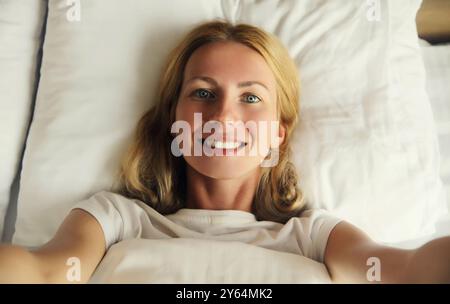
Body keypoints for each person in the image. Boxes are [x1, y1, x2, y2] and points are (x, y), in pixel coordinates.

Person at [0, 20, 449, 284]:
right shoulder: (115, 221)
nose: (224, 117)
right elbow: (46, 271)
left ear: (278, 132)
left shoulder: (314, 238)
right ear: (172, 115)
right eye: (202, 93)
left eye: (251, 98)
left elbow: (404, 271)